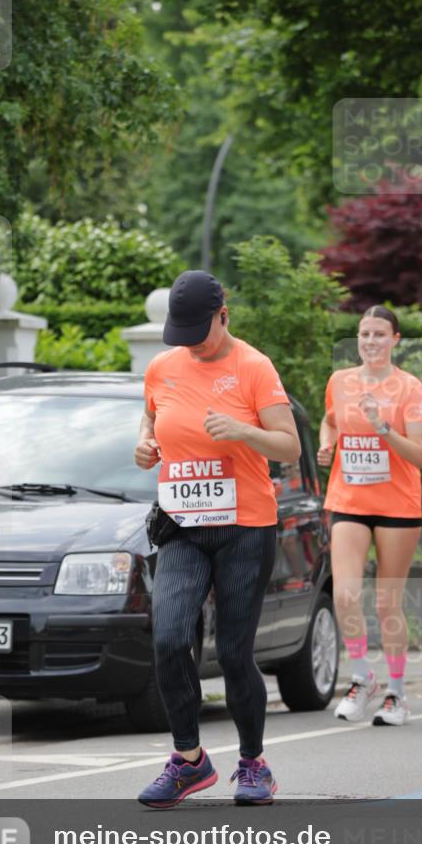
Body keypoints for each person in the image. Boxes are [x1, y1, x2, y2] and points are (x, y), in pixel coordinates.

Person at [134, 270, 301, 808]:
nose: (187, 343)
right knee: (168, 637)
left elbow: (289, 447)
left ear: (223, 315)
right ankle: (188, 761)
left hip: (244, 527)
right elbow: (151, 417)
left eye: (197, 331)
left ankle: (253, 763)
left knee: (233, 651)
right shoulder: (162, 366)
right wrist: (144, 443)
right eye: (178, 332)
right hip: (182, 523)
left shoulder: (253, 367)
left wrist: (244, 432)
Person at [317, 306, 422, 726]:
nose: (370, 341)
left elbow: (419, 455)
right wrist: (327, 445)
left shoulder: (409, 388)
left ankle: (397, 694)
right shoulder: (340, 382)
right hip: (348, 500)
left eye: (380, 334)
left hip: (397, 504)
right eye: (364, 334)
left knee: (386, 603)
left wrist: (382, 427)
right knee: (345, 594)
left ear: (395, 339)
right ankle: (363, 678)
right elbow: (329, 422)